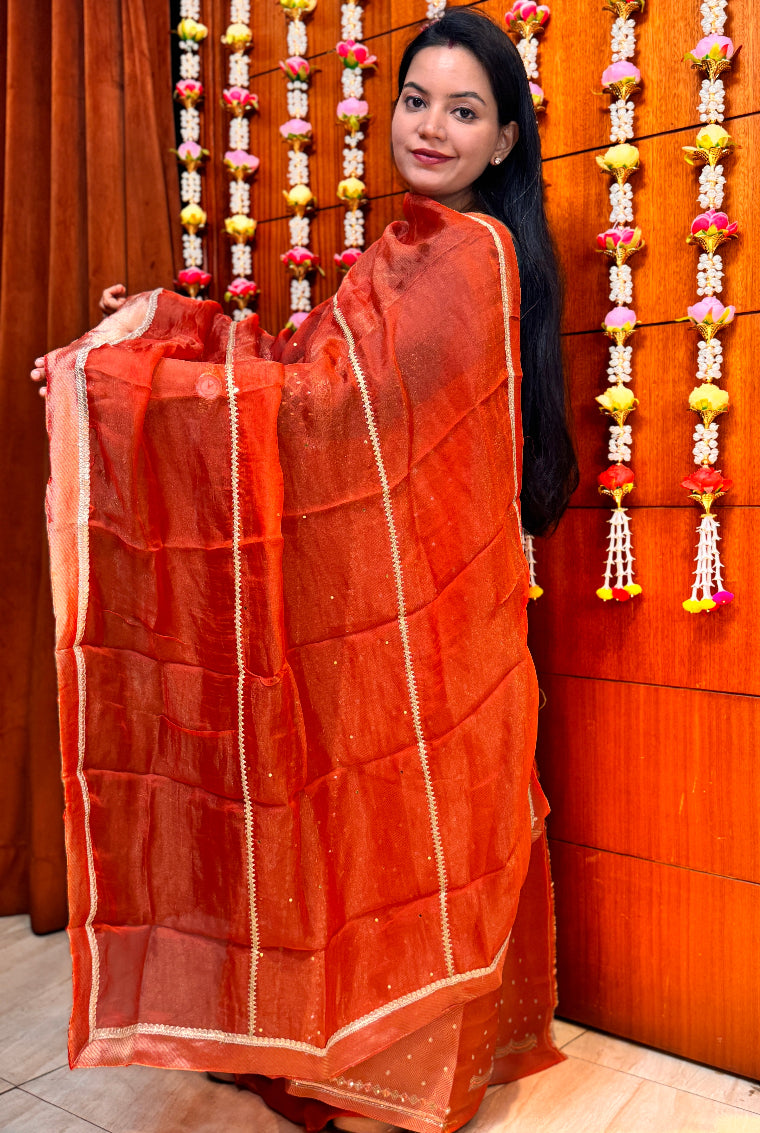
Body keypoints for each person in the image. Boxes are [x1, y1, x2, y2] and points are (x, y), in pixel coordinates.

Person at [36, 8, 577, 1132]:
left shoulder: (467, 258)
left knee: (413, 813)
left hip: (427, 609)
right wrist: (158, 335)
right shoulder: (411, 246)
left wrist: (141, 385)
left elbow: (327, 406)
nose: (432, 126)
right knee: (392, 816)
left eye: (464, 110)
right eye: (417, 100)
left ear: (505, 140)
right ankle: (381, 1064)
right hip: (402, 601)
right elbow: (303, 365)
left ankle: (401, 1075)